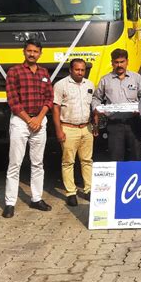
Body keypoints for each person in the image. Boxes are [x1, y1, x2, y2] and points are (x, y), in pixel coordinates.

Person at [2, 39, 53, 218]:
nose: (32, 54)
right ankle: (10, 203)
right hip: (20, 121)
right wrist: (29, 120)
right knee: (15, 163)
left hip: (40, 121)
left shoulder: (44, 73)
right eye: (29, 51)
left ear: (40, 54)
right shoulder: (14, 71)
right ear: (24, 51)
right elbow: (13, 100)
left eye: (35, 51)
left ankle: (36, 199)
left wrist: (39, 118)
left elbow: (49, 98)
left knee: (38, 163)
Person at [52, 58, 95, 207]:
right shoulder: (60, 85)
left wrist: (94, 125)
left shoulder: (89, 84)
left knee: (87, 160)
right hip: (68, 128)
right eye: (77, 70)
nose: (80, 72)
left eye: (82, 70)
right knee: (68, 162)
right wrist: (58, 130)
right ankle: (71, 193)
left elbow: (92, 106)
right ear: (71, 70)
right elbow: (56, 108)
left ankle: (89, 190)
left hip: (86, 128)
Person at [92, 48, 141, 162]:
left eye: (122, 62)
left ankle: (137, 174)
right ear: (112, 63)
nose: (119, 65)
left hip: (133, 123)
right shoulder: (105, 80)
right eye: (116, 62)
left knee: (136, 157)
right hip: (114, 124)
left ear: (127, 62)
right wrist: (97, 108)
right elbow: (96, 98)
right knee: (116, 158)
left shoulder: (136, 78)